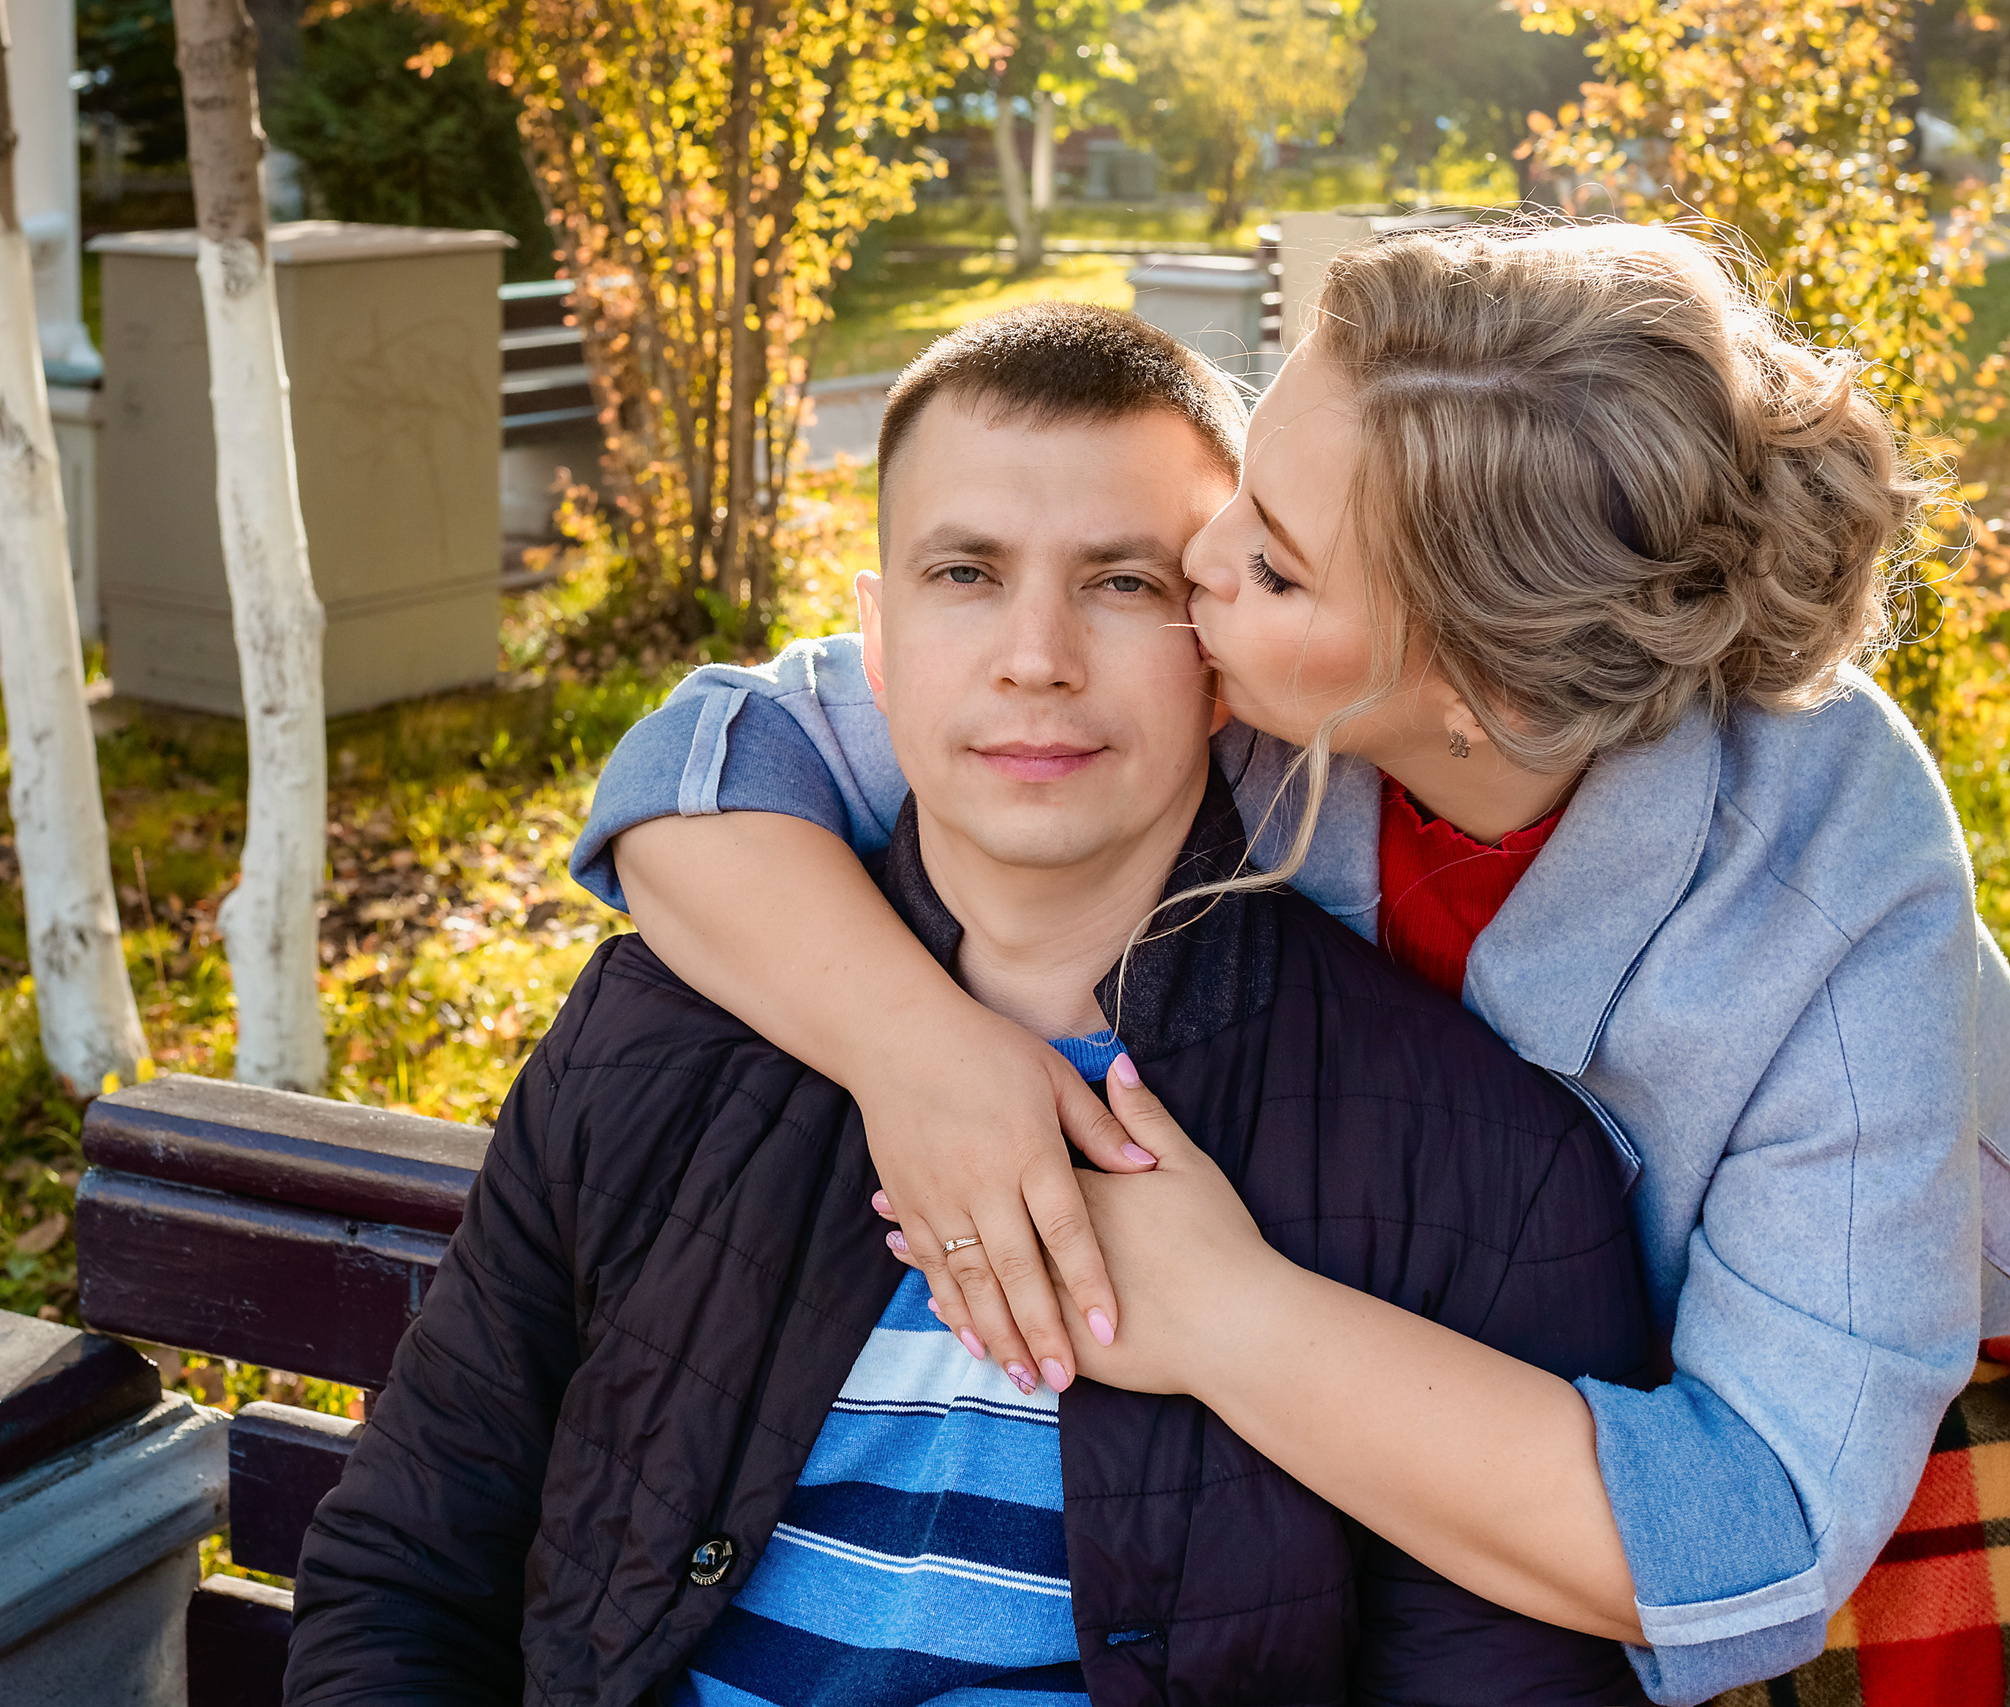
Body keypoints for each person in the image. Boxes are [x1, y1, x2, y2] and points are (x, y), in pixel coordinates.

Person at [577, 221, 2010, 1703]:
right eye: (1250, 488)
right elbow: (704, 770)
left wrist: (1229, 1316)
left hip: (1776, 1536)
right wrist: (924, 1060)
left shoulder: (1820, 918)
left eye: (1281, 567)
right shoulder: (1237, 666)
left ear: (1476, 692)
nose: (1199, 559)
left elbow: (1762, 1535)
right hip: (1322, 1495)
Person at [285, 304, 1650, 1707]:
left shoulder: (1476, 1162)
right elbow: (402, 1576)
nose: (1036, 657)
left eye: (1123, 583)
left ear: (1222, 659)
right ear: (875, 644)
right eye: (966, 573)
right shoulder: (655, 1031)